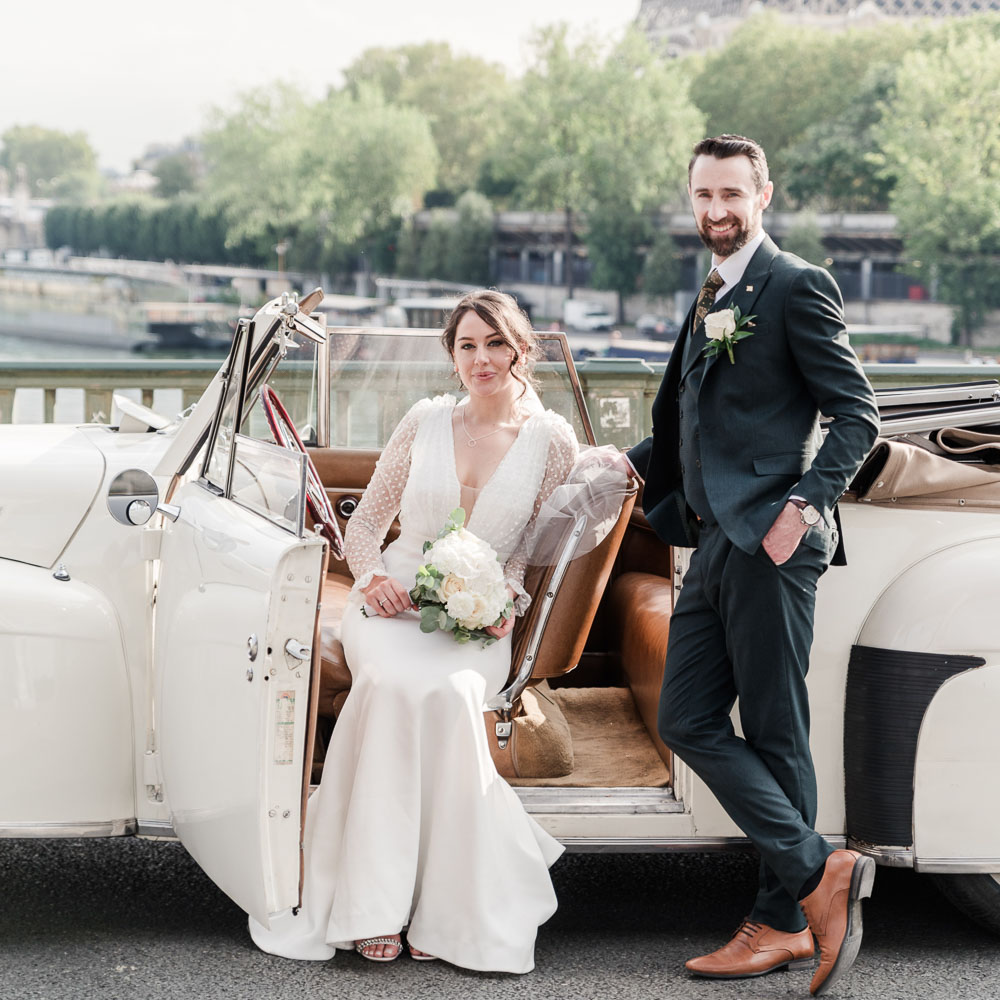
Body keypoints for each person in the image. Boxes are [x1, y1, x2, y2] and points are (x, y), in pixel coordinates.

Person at [249, 289, 578, 973]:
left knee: (453, 694)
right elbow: (364, 526)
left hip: (479, 617)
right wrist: (372, 580)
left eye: (495, 343)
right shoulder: (427, 420)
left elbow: (531, 553)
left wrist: (498, 601)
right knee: (394, 683)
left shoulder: (552, 442)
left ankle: (444, 905)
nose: (481, 359)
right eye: (466, 345)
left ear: (522, 348)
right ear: (451, 355)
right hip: (390, 607)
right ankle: (369, 901)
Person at [627, 135, 880, 997]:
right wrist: (617, 462)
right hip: (709, 543)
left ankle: (778, 922)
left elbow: (856, 416)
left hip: (771, 545)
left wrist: (801, 510)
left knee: (776, 729)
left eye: (732, 193)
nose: (716, 210)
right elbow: (694, 418)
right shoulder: (713, 291)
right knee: (688, 718)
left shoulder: (796, 284)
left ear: (764, 192)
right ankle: (818, 874)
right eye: (702, 195)